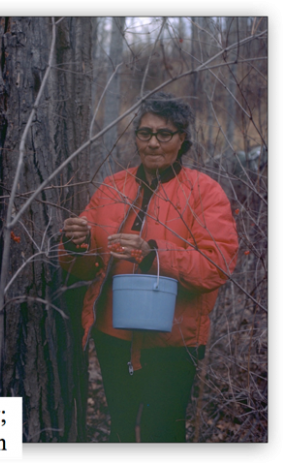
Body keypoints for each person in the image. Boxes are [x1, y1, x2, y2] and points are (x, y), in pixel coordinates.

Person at [59, 92, 239, 442]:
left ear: (182, 139)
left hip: (171, 342)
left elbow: (217, 265)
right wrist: (74, 242)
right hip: (112, 336)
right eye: (145, 133)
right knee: (122, 429)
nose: (153, 143)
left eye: (164, 134)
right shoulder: (113, 188)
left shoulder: (205, 193)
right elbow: (82, 270)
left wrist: (153, 255)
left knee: (162, 432)